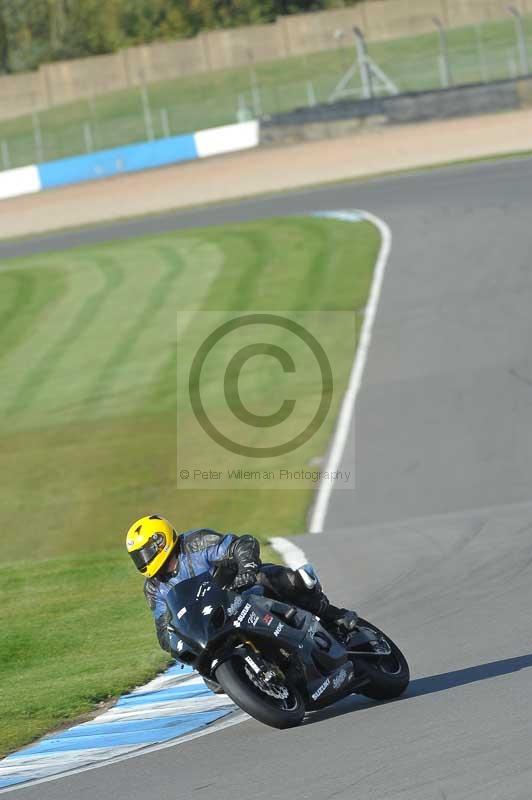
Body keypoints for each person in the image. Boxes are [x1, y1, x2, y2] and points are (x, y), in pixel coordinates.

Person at [126, 514, 357, 659]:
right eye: (138, 557)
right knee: (212, 679)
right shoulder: (154, 588)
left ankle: (333, 616)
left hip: (241, 592)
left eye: (144, 553)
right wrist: (174, 642)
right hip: (213, 624)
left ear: (160, 541)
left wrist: (247, 570)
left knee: (275, 579)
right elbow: (163, 626)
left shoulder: (196, 543)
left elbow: (240, 545)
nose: (143, 561)